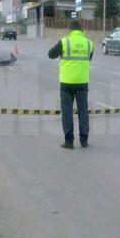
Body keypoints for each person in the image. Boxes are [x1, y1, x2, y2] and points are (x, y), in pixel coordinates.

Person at [48, 21, 94, 149]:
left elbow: (50, 54)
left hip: (66, 83)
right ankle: (84, 140)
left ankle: (69, 142)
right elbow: (89, 58)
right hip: (82, 83)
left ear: (70, 30)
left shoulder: (64, 42)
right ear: (82, 30)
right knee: (83, 111)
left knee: (67, 112)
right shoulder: (89, 43)